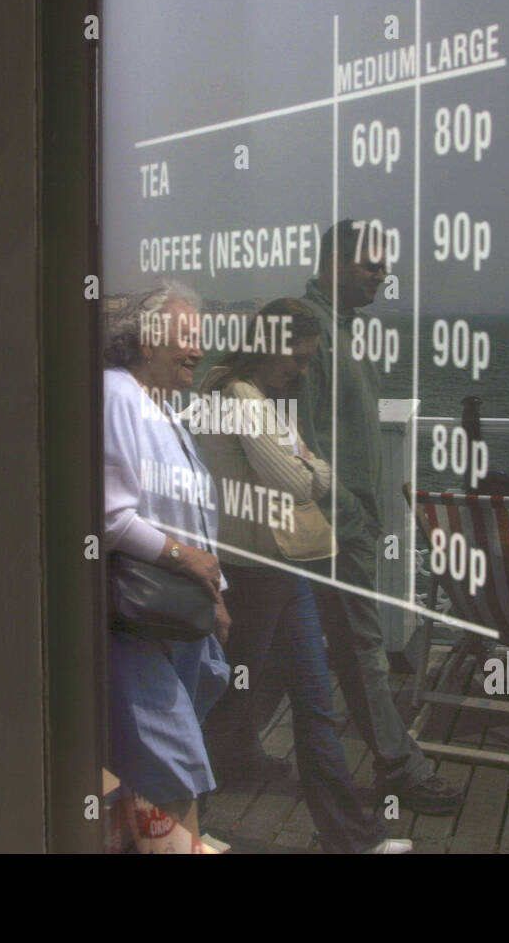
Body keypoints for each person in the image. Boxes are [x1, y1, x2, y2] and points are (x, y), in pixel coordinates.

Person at [194, 298, 409, 853]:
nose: (303, 371)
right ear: (270, 346)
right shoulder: (242, 398)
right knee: (239, 698)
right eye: (300, 358)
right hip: (260, 569)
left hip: (273, 568)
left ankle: (350, 837)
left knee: (303, 700)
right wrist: (315, 465)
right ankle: (182, 818)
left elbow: (284, 469)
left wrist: (302, 462)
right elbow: (296, 480)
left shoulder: (224, 385)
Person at [295, 220, 462, 815]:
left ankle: (230, 745)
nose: (382, 274)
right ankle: (401, 768)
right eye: (371, 265)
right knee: (360, 648)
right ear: (334, 263)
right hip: (336, 528)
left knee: (276, 643)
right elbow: (305, 444)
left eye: (384, 266)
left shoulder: (342, 330)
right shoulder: (313, 332)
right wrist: (350, 518)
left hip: (346, 522)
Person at [103, 278, 232, 853]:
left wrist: (215, 592)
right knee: (170, 753)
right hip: (137, 615)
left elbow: (193, 518)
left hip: (177, 611)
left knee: (158, 754)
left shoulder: (165, 411)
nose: (199, 351)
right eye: (187, 337)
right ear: (146, 342)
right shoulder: (117, 397)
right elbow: (107, 516)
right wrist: (187, 559)